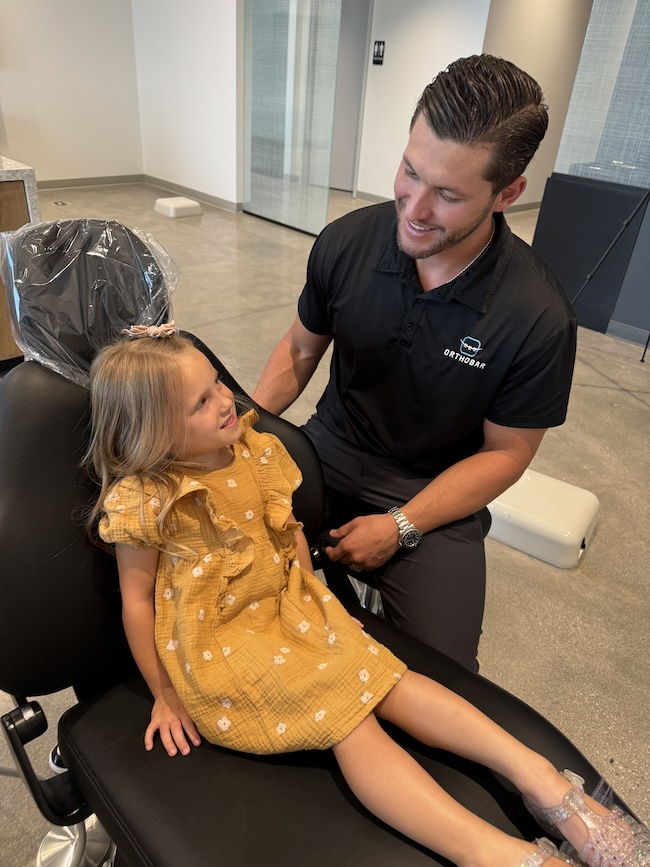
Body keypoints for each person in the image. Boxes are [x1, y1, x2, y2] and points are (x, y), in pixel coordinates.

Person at [84, 328, 647, 867]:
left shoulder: (253, 449)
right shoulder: (148, 499)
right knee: (351, 718)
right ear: (155, 434)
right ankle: (488, 852)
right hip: (224, 645)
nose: (226, 399)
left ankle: (543, 782)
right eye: (200, 403)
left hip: (287, 607)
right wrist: (164, 691)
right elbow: (139, 602)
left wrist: (315, 600)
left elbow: (287, 532)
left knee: (394, 678)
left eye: (216, 382)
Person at [251, 54, 578, 672]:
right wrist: (242, 432)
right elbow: (298, 351)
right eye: (409, 170)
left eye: (448, 194)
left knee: (443, 674)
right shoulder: (346, 242)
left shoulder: (536, 316)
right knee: (211, 569)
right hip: (327, 447)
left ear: (507, 193)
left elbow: (507, 453)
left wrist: (399, 525)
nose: (414, 207)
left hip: (433, 487)